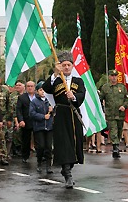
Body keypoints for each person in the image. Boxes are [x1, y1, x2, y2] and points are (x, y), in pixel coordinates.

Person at [42, 52, 86, 189]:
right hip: (61, 114)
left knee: (74, 142)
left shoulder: (78, 81)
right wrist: (55, 73)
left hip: (73, 113)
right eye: (63, 65)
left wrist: (74, 96)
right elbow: (46, 88)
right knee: (64, 144)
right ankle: (67, 174)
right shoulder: (56, 80)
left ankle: (68, 167)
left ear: (72, 66)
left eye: (68, 65)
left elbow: (82, 94)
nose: (66, 67)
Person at [99, 69, 128, 158]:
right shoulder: (105, 87)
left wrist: (124, 106)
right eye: (112, 76)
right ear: (109, 77)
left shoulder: (122, 87)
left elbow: (127, 99)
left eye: (115, 76)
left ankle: (117, 144)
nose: (114, 77)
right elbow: (100, 99)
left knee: (119, 130)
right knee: (113, 130)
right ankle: (115, 147)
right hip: (110, 113)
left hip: (120, 114)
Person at [29, 81, 54, 173]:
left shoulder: (50, 101)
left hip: (49, 127)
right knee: (41, 146)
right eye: (40, 90)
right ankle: (39, 162)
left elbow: (57, 112)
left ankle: (48, 165)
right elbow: (31, 113)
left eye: (44, 90)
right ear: (37, 91)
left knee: (49, 147)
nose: (43, 92)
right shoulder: (34, 102)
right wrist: (43, 117)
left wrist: (53, 110)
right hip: (39, 127)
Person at [16, 80, 36, 163]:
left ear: (34, 87)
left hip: (37, 121)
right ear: (26, 87)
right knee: (26, 140)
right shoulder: (22, 97)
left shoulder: (38, 96)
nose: (30, 88)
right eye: (28, 86)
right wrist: (21, 120)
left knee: (39, 139)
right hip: (26, 121)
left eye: (32, 86)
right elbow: (19, 110)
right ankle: (25, 156)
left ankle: (41, 156)